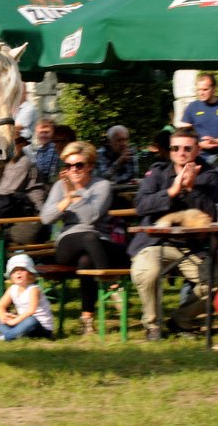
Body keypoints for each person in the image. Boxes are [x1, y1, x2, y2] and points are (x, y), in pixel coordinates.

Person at [127, 127, 218, 341]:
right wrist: (171, 192)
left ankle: (180, 320)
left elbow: (211, 213)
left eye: (186, 148)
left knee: (217, 278)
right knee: (146, 269)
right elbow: (141, 206)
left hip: (193, 247)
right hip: (156, 243)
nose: (180, 152)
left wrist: (192, 190)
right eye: (175, 148)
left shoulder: (209, 175)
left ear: (197, 150)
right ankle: (152, 326)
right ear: (170, 151)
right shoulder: (157, 172)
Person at [40, 141, 129, 335]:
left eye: (79, 165)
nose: (74, 170)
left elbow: (91, 216)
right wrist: (66, 199)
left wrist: (76, 192)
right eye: (69, 166)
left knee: (86, 261)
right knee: (88, 237)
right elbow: (46, 217)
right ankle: (111, 285)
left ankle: (86, 319)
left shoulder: (102, 186)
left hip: (98, 241)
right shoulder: (58, 187)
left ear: (89, 166)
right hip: (68, 241)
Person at [0, 136, 47, 244]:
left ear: (23, 144)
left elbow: (5, 194)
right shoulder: (8, 162)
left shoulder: (24, 162)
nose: (12, 146)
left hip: (30, 221)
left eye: (16, 142)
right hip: (13, 215)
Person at [180, 73, 218, 161]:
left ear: (214, 88)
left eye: (205, 89)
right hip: (198, 157)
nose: (201, 93)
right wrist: (199, 144)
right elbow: (183, 133)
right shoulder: (192, 107)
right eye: (199, 90)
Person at [0, 254, 54, 341]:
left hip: (40, 327)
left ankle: (4, 337)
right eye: (14, 271)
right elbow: (1, 305)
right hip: (22, 323)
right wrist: (3, 315)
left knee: (31, 320)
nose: (18, 272)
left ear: (30, 274)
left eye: (22, 270)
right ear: (11, 276)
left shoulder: (34, 289)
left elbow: (31, 311)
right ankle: (14, 334)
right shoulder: (12, 289)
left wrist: (15, 321)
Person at [29, 118, 60, 184]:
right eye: (41, 133)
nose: (43, 135)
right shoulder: (40, 150)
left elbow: (47, 173)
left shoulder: (54, 148)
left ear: (54, 133)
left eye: (46, 132)